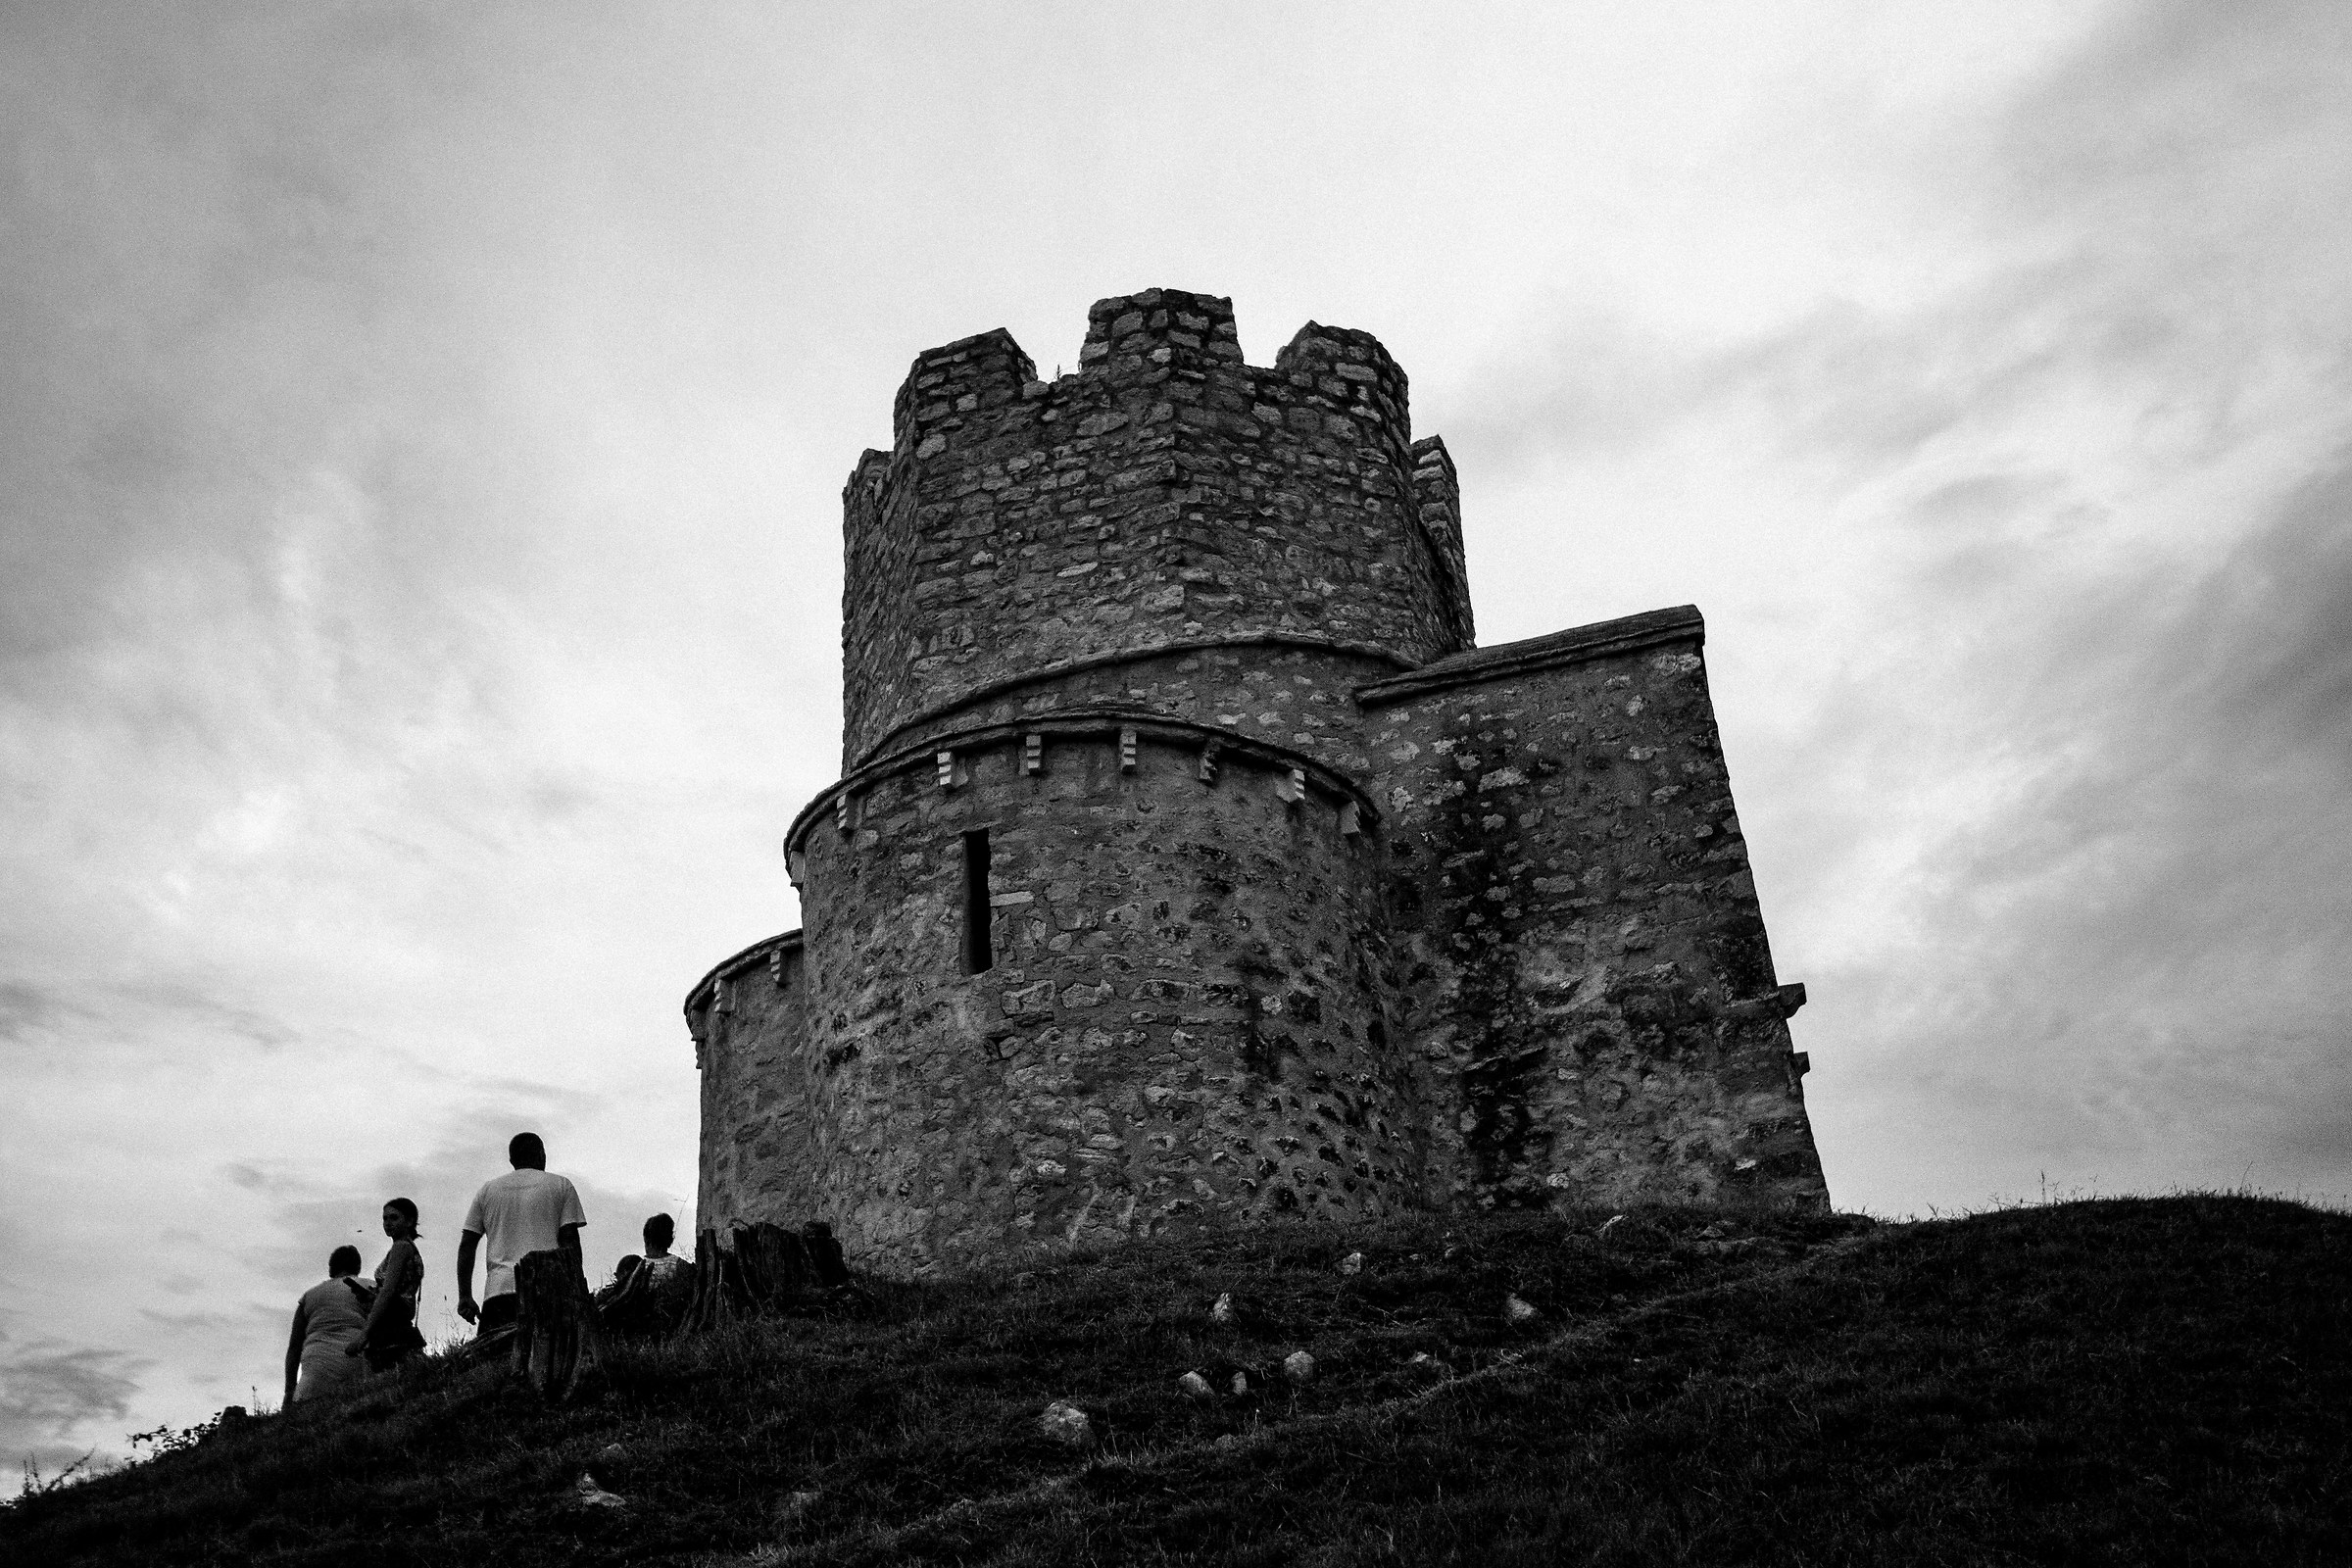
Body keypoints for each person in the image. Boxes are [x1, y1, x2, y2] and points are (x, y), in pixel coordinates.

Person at [456, 1132, 587, 1338]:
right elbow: (569, 1241)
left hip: (499, 1290)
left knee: (494, 1361)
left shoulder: (487, 1191)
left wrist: (465, 1295)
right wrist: (575, 1286)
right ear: (542, 1155)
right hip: (547, 1288)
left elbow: (467, 1244)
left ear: (511, 1160)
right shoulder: (561, 1185)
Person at [283, 1245, 371, 1407]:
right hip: (357, 1373)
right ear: (358, 1267)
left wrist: (289, 1391)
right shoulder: (367, 1288)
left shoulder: (309, 1296)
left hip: (313, 1381)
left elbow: (294, 1348)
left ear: (331, 1269)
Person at [347, 1198, 426, 1371]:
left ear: (410, 1221)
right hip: (400, 1319)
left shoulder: (401, 1248)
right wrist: (370, 1295)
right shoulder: (410, 1248)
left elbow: (388, 1292)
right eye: (385, 1218)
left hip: (391, 1322)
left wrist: (364, 1335)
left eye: (394, 1218)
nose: (388, 1223)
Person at [596, 1213, 693, 1337]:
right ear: (670, 1240)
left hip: (636, 1323)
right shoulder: (680, 1265)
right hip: (669, 1324)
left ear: (646, 1240)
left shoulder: (634, 1265)